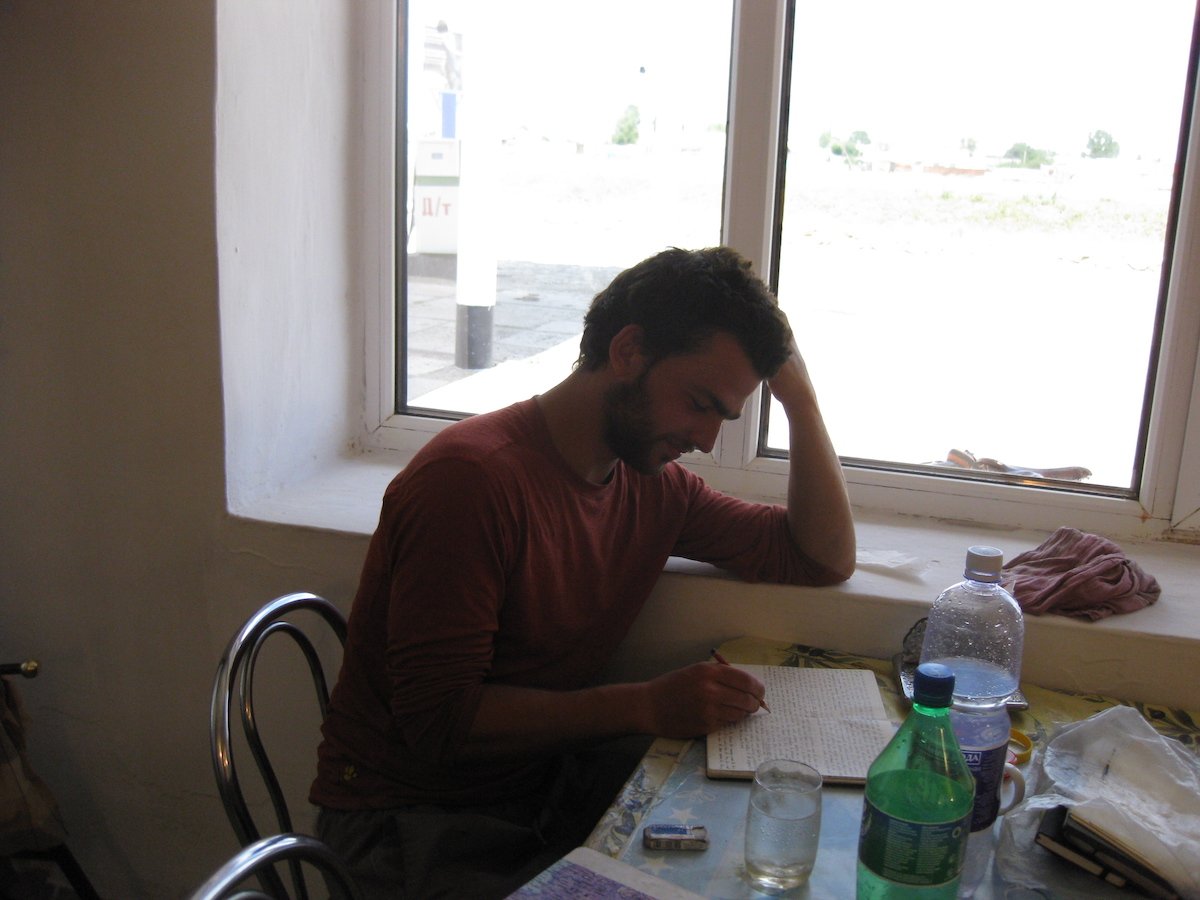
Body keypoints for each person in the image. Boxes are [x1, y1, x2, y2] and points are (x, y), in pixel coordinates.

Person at [309, 246, 855, 898]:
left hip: (536, 791)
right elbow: (439, 725)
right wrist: (647, 704)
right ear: (628, 351)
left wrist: (800, 400)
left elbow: (819, 557)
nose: (708, 439)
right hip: (409, 826)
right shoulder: (470, 482)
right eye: (699, 403)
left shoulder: (650, 484)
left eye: (725, 416)